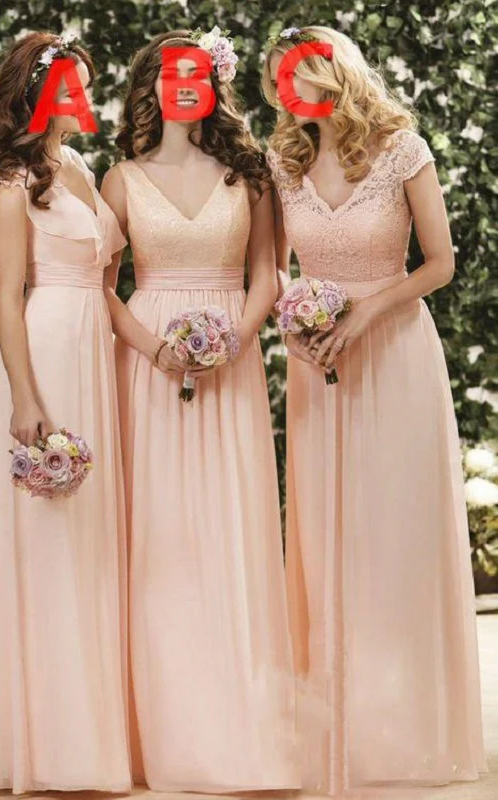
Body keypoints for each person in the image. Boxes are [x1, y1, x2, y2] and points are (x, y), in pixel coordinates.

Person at [263, 24, 487, 795]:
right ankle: (332, 733)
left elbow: (440, 263)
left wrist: (363, 314)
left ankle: (406, 732)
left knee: (395, 535)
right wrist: (295, 325)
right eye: (279, 79)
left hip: (394, 356)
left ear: (336, 71)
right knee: (324, 535)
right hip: (315, 361)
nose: (291, 89)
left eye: (301, 72)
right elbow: (274, 268)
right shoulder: (283, 160)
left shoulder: (402, 149)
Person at [0, 32, 132, 794]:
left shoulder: (78, 167)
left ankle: (82, 730)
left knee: (84, 539)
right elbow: (9, 299)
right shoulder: (14, 182)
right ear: (36, 95)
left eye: (85, 87)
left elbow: (106, 271)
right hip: (45, 353)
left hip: (92, 352)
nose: (82, 99)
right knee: (45, 539)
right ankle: (34, 741)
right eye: (70, 88)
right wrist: (28, 396)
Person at [100, 27, 300, 794]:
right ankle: (155, 735)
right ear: (151, 86)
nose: (185, 84)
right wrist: (156, 351)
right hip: (148, 367)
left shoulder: (248, 173)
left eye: (197, 72)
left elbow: (267, 275)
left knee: (230, 531)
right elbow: (101, 290)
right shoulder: (121, 179)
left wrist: (235, 340)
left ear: (214, 83)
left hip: (231, 365)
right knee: (160, 541)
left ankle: (235, 729)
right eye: (171, 73)